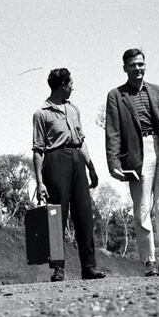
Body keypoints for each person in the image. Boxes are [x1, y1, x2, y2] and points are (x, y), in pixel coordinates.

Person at [104, 48, 159, 276]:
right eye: (133, 65)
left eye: (141, 64)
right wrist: (114, 163)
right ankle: (149, 261)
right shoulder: (116, 96)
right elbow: (112, 131)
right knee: (142, 208)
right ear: (125, 68)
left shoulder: (157, 91)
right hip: (137, 154)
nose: (138, 68)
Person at [32, 68, 106, 282]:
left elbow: (81, 141)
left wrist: (91, 167)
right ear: (62, 85)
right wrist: (40, 182)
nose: (73, 87)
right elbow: (38, 150)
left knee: (84, 215)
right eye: (70, 83)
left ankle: (89, 267)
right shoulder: (41, 113)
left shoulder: (74, 110)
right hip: (55, 161)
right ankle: (58, 269)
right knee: (57, 216)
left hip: (77, 160)